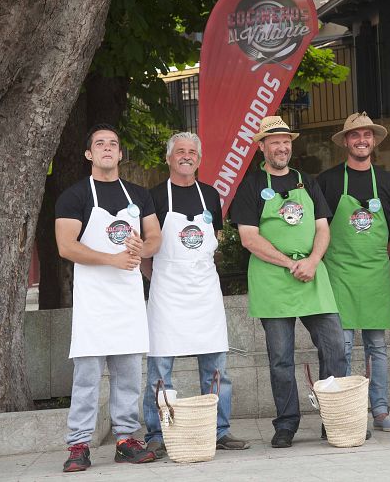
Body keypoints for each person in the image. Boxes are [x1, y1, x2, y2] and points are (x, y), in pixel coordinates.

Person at [229, 116, 347, 448]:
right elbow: (249, 238)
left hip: (312, 274)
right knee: (280, 356)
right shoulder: (251, 186)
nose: (282, 147)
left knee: (334, 347)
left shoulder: (306, 181)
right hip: (271, 278)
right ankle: (286, 423)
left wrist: (311, 261)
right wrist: (289, 263)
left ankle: (333, 419)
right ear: (261, 147)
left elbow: (323, 227)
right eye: (275, 141)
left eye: (286, 141)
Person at [55, 124, 161, 472]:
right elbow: (66, 245)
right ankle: (79, 444)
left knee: (129, 375)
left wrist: (140, 247)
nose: (106, 148)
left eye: (113, 144)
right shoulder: (74, 196)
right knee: (87, 377)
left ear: (119, 154)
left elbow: (155, 238)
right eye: (99, 143)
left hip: (128, 300)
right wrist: (112, 259)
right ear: (89, 154)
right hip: (92, 302)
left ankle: (126, 440)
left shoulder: (138, 195)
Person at [140, 132, 249, 458]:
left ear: (199, 159)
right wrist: (159, 279)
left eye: (192, 152)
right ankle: (157, 433)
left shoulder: (210, 196)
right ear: (169, 157)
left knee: (217, 369)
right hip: (167, 295)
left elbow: (211, 241)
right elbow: (147, 248)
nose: (186, 156)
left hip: (204, 294)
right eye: (180, 152)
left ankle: (220, 430)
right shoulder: (155, 196)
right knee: (160, 370)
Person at [317, 112, 390, 433]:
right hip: (338, 274)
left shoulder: (387, 180)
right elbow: (318, 228)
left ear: (374, 141)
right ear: (346, 141)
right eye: (355, 135)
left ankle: (380, 411)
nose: (361, 140)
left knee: (377, 347)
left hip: (375, 276)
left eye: (366, 135)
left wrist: (378, 257)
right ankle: (342, 414)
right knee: (340, 347)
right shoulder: (327, 181)